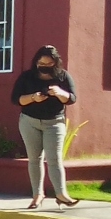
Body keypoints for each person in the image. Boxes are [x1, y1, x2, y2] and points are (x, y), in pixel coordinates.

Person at [11, 45, 80, 209]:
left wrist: (59, 92)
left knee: (55, 159)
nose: (44, 67)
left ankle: (61, 194)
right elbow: (16, 99)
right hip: (29, 122)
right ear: (36, 62)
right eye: (41, 63)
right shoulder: (27, 77)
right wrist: (33, 98)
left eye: (49, 64)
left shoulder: (63, 77)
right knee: (35, 160)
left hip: (54, 123)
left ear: (55, 63)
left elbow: (72, 98)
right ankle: (37, 195)